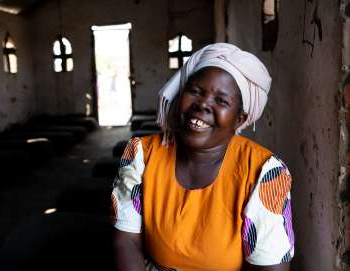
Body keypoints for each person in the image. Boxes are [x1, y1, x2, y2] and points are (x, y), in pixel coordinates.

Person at [111, 43, 294, 271]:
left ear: (240, 119)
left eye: (221, 100)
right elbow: (126, 240)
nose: (203, 104)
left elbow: (270, 268)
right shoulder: (142, 154)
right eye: (195, 91)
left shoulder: (262, 171)